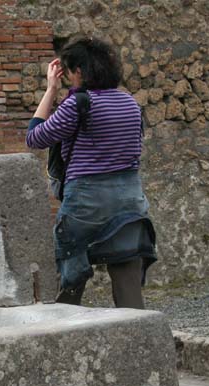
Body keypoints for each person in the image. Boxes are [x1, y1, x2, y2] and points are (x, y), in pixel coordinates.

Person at [26, 37, 157, 308]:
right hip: (129, 202)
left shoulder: (78, 105)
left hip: (86, 204)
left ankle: (68, 339)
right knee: (128, 286)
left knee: (71, 280)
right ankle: (138, 341)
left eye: (70, 71)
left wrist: (50, 90)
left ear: (79, 72)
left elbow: (35, 138)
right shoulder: (130, 104)